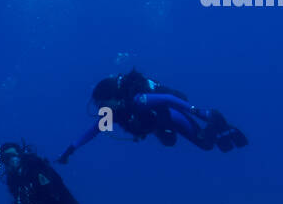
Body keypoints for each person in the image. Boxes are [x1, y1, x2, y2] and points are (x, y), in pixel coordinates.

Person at [58, 70, 247, 164]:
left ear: (111, 98)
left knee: (204, 143)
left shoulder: (137, 100)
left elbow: (168, 98)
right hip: (161, 123)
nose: (100, 108)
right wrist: (71, 149)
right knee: (188, 143)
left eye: (102, 103)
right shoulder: (114, 112)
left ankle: (214, 117)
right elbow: (93, 131)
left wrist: (197, 111)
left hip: (173, 116)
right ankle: (221, 127)